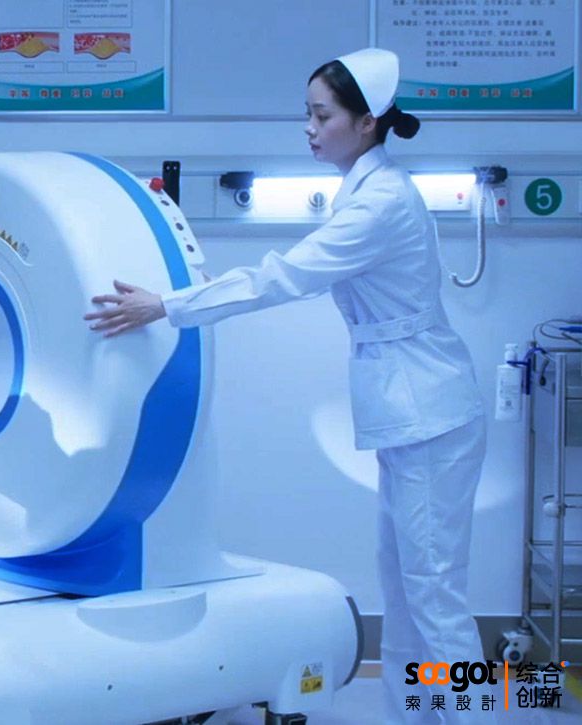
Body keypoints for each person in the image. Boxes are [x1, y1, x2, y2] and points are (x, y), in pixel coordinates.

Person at [85, 49, 490, 723]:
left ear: (366, 122)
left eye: (321, 115)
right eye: (307, 113)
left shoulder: (380, 203)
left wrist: (168, 305)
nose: (309, 127)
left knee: (434, 597)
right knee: (405, 590)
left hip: (431, 414)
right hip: (413, 411)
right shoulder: (363, 188)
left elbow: (284, 276)